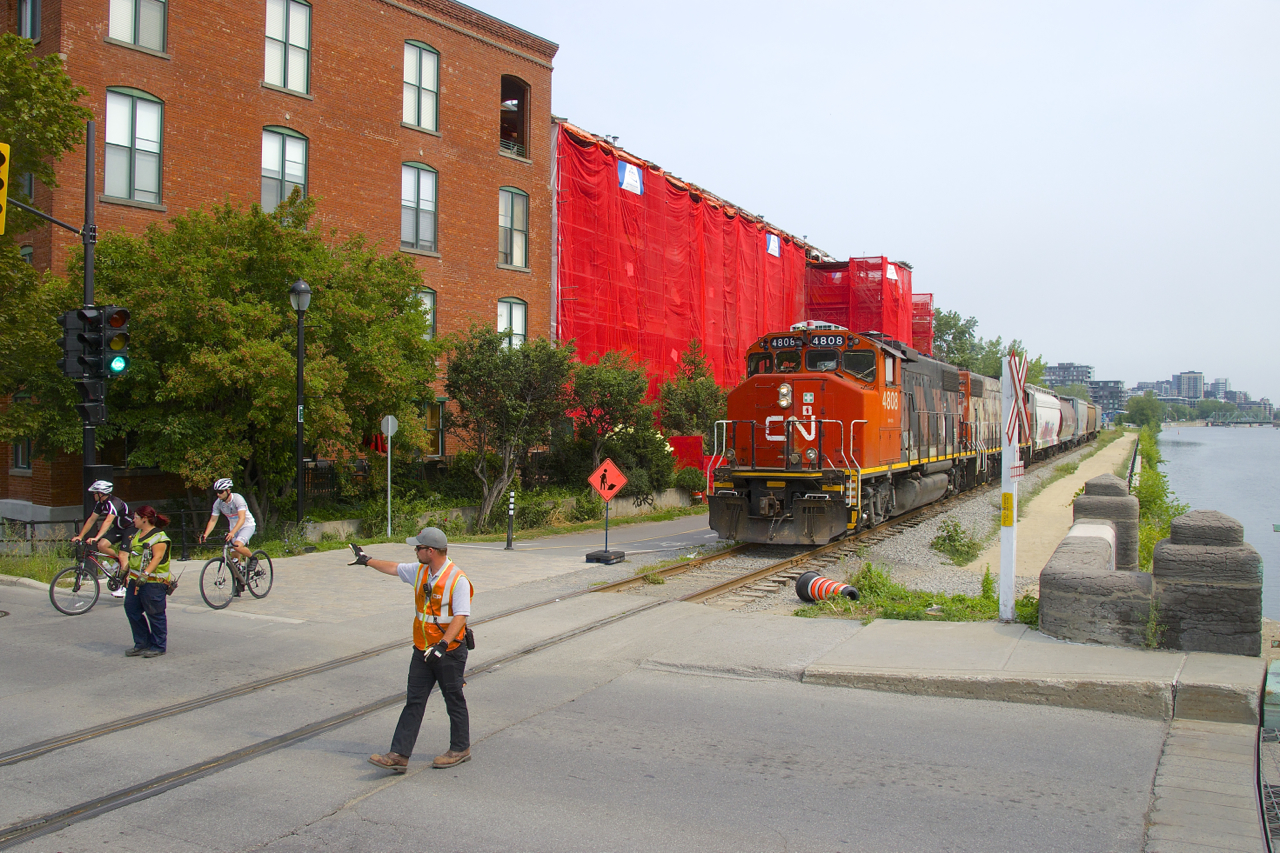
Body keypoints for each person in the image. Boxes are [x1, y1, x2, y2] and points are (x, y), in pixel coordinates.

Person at [349, 527, 472, 773]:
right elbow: (394, 568)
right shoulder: (420, 571)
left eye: (418, 547)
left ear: (431, 551)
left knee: (453, 699)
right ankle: (399, 755)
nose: (415, 551)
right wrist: (367, 560)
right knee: (414, 701)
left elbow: (460, 617)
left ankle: (460, 748)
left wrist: (443, 645)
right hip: (423, 649)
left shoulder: (457, 579)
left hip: (449, 651)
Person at [71, 480, 134, 598]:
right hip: (118, 528)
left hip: (130, 528)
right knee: (101, 545)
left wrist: (96, 537)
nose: (93, 495)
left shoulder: (114, 502)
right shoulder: (100, 503)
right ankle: (118, 562)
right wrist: (80, 536)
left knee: (123, 555)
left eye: (95, 493)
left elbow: (108, 521)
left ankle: (123, 587)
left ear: (101, 493)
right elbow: (91, 519)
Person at [124, 505, 172, 658]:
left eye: (136, 517)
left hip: (153, 583)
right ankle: (142, 643)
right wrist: (125, 569)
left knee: (155, 613)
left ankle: (158, 646)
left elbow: (157, 558)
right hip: (135, 582)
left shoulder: (159, 537)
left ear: (144, 519)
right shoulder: (138, 534)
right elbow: (134, 555)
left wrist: (145, 574)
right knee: (131, 610)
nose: (133, 520)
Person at [200, 478, 259, 586]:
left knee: (237, 546)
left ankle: (253, 558)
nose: (218, 494)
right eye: (216, 492)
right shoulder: (218, 504)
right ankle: (239, 584)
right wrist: (205, 534)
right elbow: (213, 520)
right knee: (234, 560)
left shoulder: (238, 499)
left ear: (228, 491)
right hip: (233, 528)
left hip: (247, 525)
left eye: (220, 492)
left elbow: (241, 519)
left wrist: (232, 533)